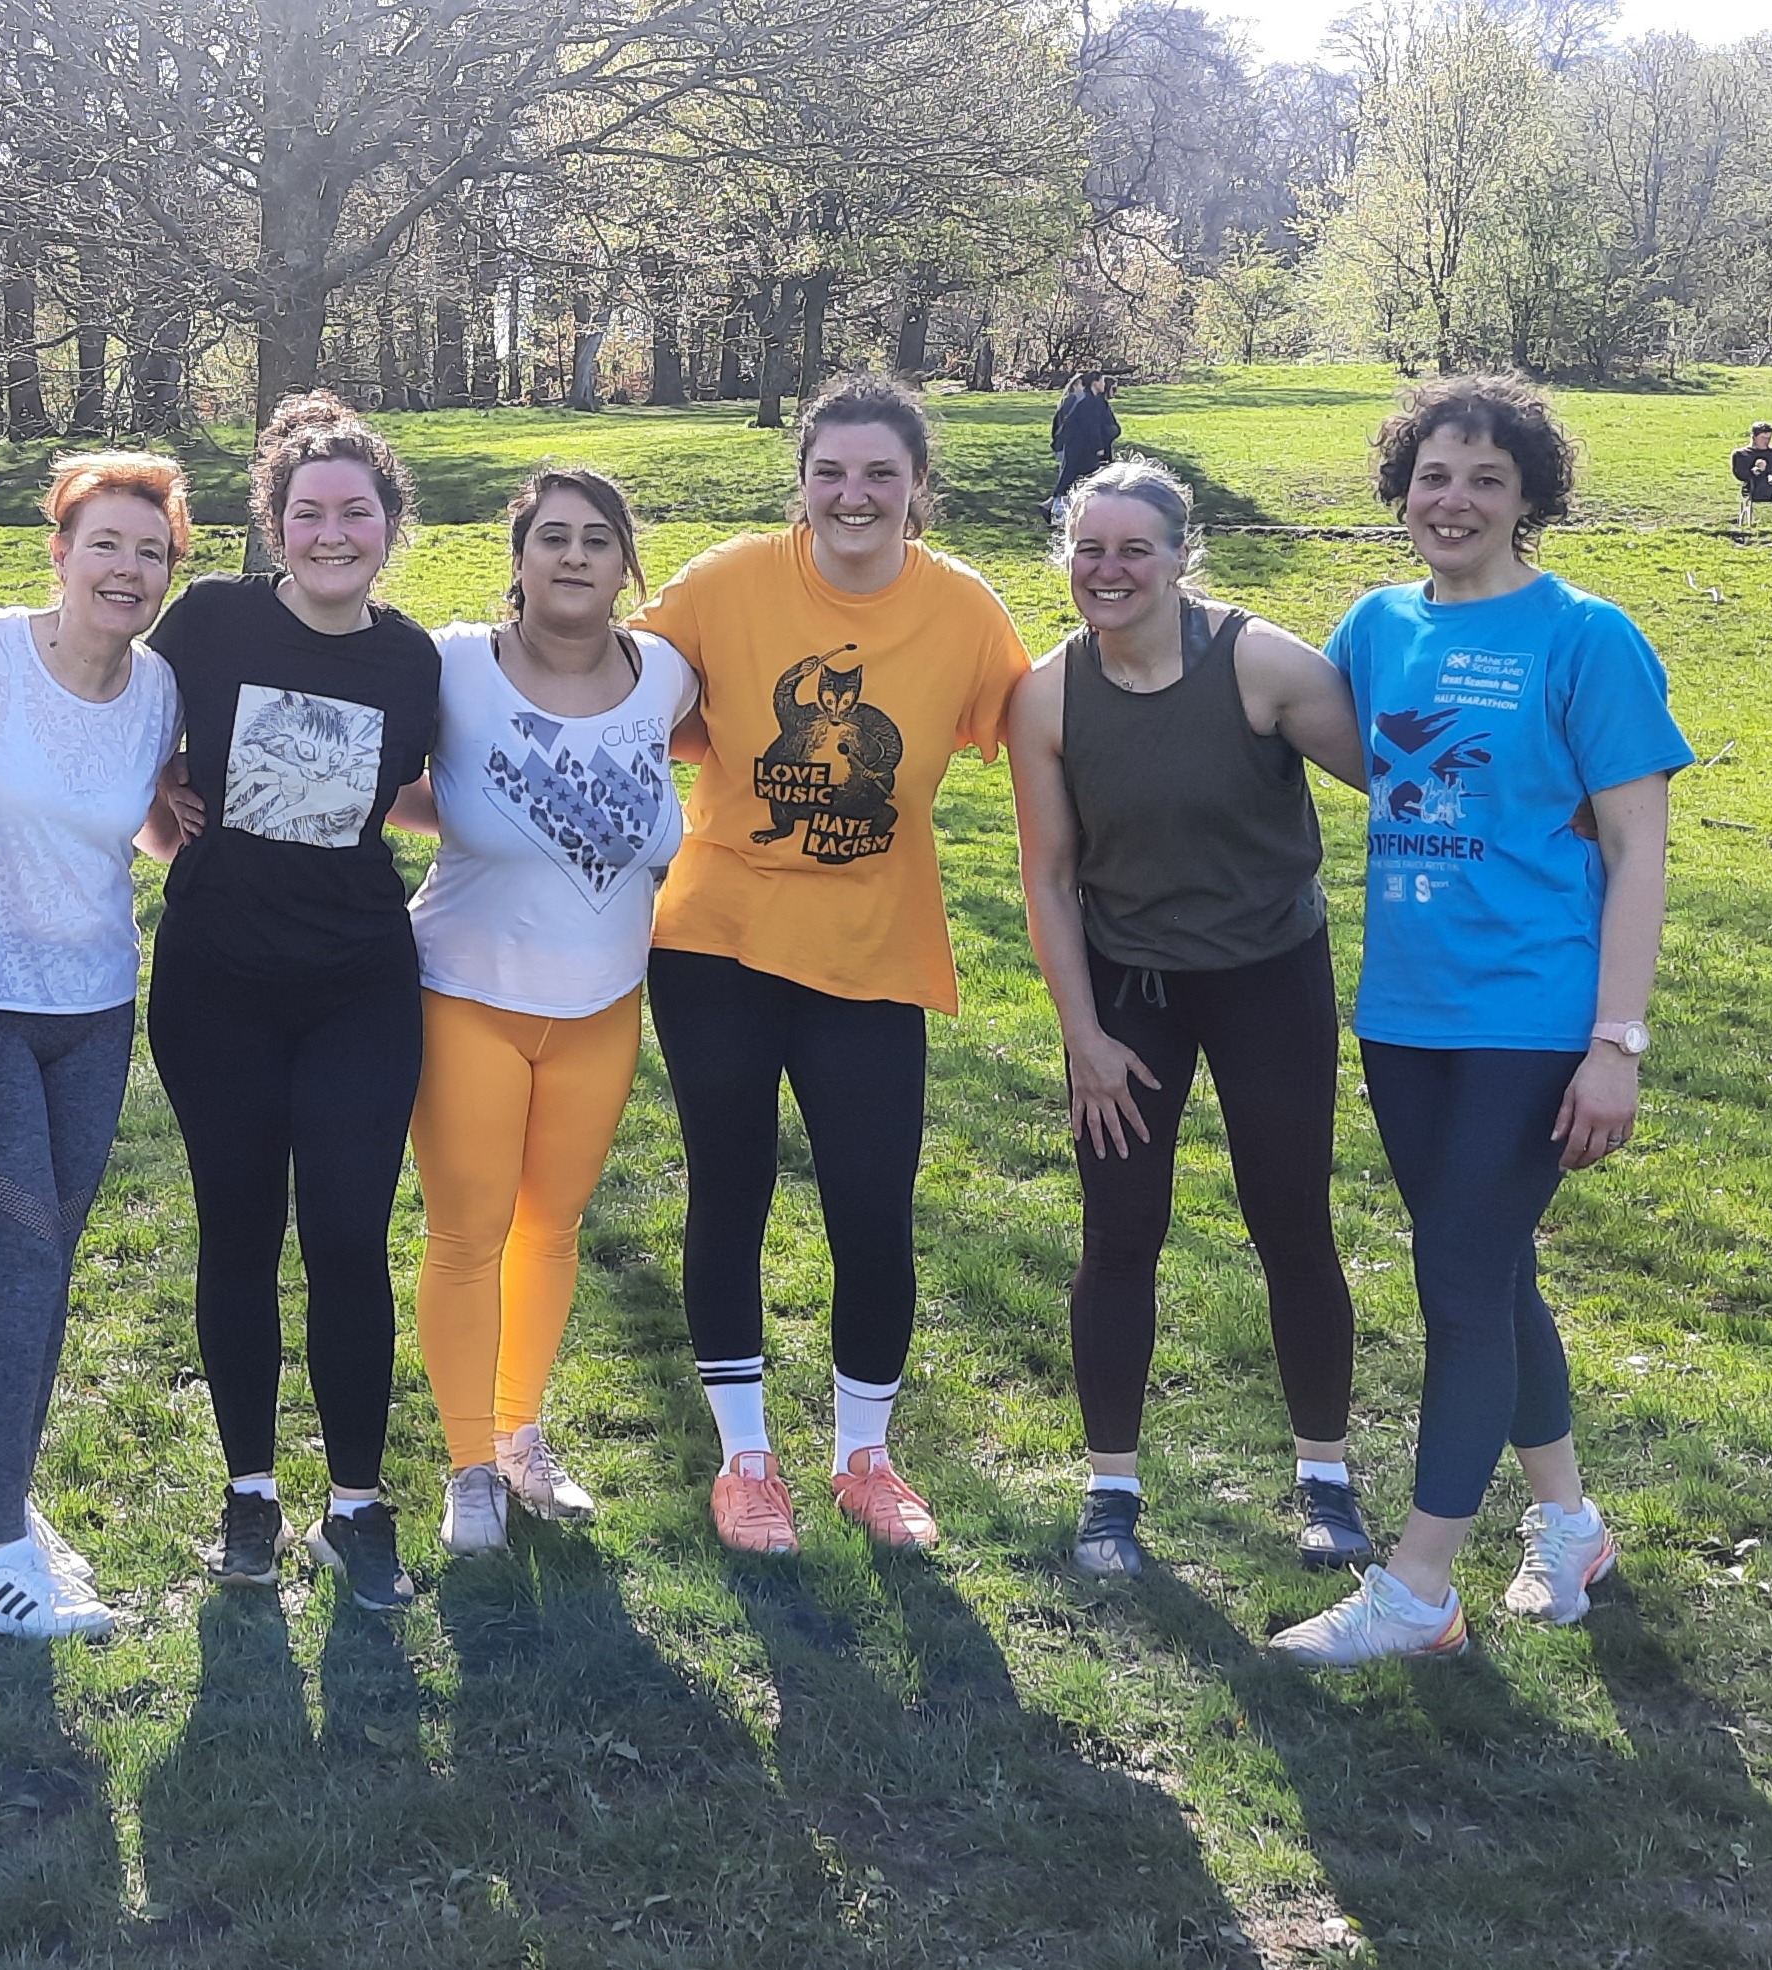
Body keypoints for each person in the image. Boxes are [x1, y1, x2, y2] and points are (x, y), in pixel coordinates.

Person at [1271, 375, 1691, 1667]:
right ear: (1401, 491)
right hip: (1404, 1013)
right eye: (1433, 477)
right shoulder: (1373, 626)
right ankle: (1567, 1523)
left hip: (1534, 1009)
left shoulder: (1584, 635)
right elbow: (1355, 758)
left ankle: (1415, 1589)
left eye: (1485, 480)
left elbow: (1637, 846)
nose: (1452, 501)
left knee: (1455, 1278)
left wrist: (1613, 1043)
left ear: (1527, 498)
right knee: (1492, 1271)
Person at [635, 371, 1031, 1556]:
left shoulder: (963, 608)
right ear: (800, 482)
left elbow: (1044, 729)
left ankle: (866, 1458)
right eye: (830, 473)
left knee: (871, 1204)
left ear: (918, 486)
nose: (853, 495)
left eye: (879, 474)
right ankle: (745, 1462)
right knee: (731, 1188)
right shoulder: (725, 581)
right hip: (717, 941)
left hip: (872, 949)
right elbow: (612, 691)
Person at [1006, 459, 1373, 1586]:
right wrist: (1083, 1036)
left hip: (1270, 979)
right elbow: (1048, 877)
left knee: (1289, 1222)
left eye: (1133, 549)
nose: (1107, 570)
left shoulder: (1261, 664)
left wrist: (1566, 821)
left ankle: (1325, 1477)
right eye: (1089, 549)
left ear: (1179, 558)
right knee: (1120, 1233)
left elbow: (1405, 785)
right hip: (1130, 995)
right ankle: (1110, 1490)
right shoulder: (1046, 695)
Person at [142, 393, 442, 1611]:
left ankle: (356, 1506)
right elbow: (118, 727)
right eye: (307, 512)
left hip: (357, 987)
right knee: (237, 1234)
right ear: (273, 523)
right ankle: (251, 1494)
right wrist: (161, 812)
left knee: (347, 1239)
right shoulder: (209, 622)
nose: (331, 534)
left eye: (354, 512)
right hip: (215, 984)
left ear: (387, 525)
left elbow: (417, 791)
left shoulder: (413, 659)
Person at [391, 470, 698, 1557]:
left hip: (603, 1005)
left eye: (597, 540)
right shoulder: (452, 663)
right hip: (465, 994)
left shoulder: (666, 674)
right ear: (518, 560)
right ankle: (468, 1466)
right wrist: (469, 812)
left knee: (552, 1227)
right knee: (467, 1234)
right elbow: (375, 774)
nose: (573, 556)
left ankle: (520, 1434)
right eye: (552, 537)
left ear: (626, 566)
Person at [0, 454, 191, 1640]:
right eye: (106, 544)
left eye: (151, 551)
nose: (127, 569)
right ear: (60, 552)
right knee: (24, 1264)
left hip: (95, 1007)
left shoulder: (159, 687)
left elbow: (145, 824)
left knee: (52, 1264)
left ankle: (14, 1510)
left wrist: (193, 825)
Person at [1044, 374, 1095, 520]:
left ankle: (1056, 507)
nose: (1083, 389)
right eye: (1081, 385)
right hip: (1068, 442)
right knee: (1066, 475)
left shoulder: (1071, 400)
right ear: (1075, 385)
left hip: (1068, 442)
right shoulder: (1072, 400)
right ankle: (1054, 509)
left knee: (1066, 474)